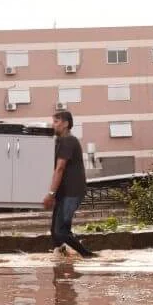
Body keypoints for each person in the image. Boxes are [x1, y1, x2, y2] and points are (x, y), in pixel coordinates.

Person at [42, 110, 96, 258]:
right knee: (55, 232)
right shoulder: (60, 141)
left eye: (56, 122)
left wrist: (50, 194)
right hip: (64, 193)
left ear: (65, 124)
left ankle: (88, 255)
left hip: (72, 192)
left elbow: (60, 168)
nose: (53, 125)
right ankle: (62, 257)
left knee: (61, 231)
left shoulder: (68, 141)